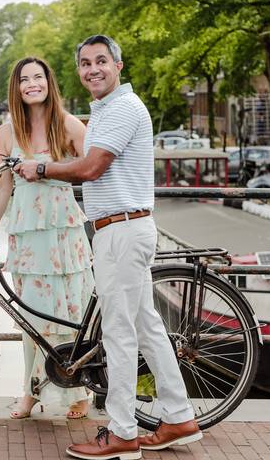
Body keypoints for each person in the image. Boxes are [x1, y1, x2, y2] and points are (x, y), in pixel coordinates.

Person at [16, 35, 202, 460]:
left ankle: (121, 433)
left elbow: (92, 167)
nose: (92, 69)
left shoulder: (122, 109)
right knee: (147, 327)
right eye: (84, 63)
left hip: (121, 230)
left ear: (119, 66)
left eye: (101, 61)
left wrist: (41, 167)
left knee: (120, 334)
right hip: (121, 229)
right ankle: (178, 416)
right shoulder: (105, 110)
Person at [0, 56, 95, 420]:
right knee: (31, 317)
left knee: (67, 312)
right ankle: (30, 392)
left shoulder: (69, 125)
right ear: (16, 87)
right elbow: (2, 188)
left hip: (64, 233)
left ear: (49, 83)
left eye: (38, 77)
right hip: (27, 235)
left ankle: (77, 391)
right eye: (24, 79)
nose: (32, 84)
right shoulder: (6, 132)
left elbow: (95, 169)